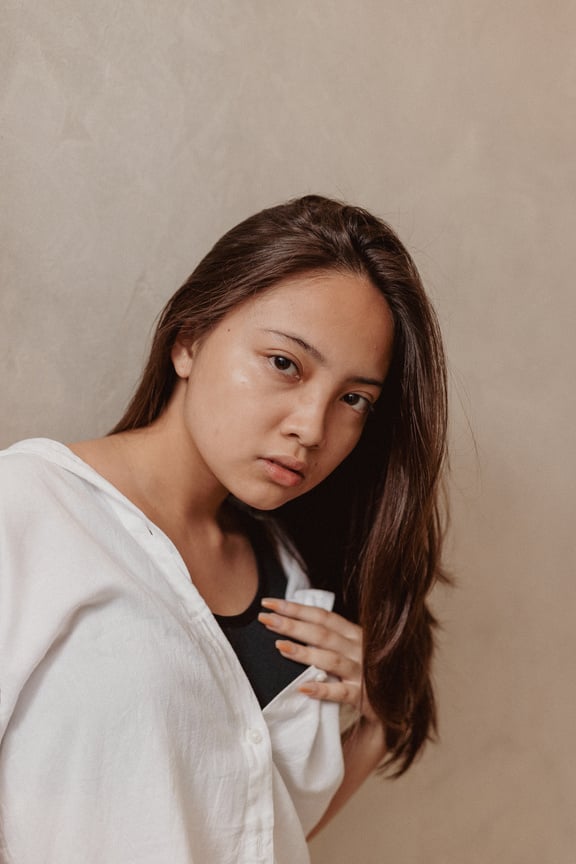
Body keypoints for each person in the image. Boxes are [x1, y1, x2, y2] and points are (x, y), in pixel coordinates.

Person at [0, 195, 448, 863]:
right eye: (285, 363)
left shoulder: (296, 578)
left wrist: (383, 719)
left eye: (354, 399)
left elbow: (257, 830)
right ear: (189, 338)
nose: (312, 427)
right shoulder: (29, 509)